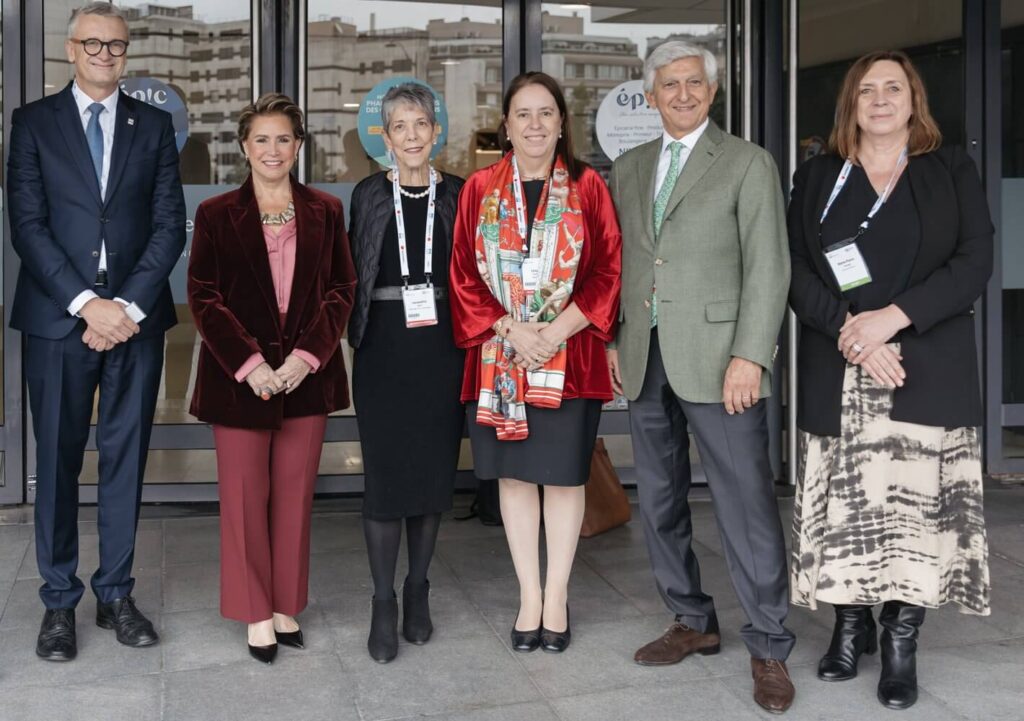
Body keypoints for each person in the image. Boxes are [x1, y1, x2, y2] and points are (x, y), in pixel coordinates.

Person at [787, 50, 992, 710]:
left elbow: (974, 261)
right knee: (847, 510)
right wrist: (853, 331)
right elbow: (793, 269)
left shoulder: (950, 168)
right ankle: (850, 627)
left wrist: (892, 320)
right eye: (866, 89)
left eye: (893, 88)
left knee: (911, 513)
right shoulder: (820, 175)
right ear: (851, 103)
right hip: (842, 365)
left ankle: (900, 638)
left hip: (923, 365)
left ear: (913, 100)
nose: (879, 99)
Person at [606, 41, 796, 713]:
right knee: (658, 500)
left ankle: (770, 643)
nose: (681, 93)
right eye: (669, 84)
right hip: (645, 357)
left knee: (745, 506)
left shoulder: (747, 162)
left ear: (711, 93)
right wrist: (612, 340)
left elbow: (770, 265)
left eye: (693, 83)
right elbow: (622, 264)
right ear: (651, 94)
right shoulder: (627, 167)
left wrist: (752, 354)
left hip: (724, 364)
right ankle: (692, 619)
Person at [6, 2, 185, 662]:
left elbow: (168, 224)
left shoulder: (155, 125)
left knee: (124, 458)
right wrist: (88, 304)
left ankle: (115, 592)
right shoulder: (33, 124)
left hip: (136, 323)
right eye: (93, 43)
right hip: (59, 320)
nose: (105, 54)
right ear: (70, 48)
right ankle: (59, 601)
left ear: (127, 52)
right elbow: (27, 225)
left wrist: (127, 309)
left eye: (116, 45)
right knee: (55, 459)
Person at [449, 72, 621, 654]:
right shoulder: (479, 190)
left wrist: (553, 332)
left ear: (561, 123)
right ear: (506, 125)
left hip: (570, 358)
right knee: (517, 479)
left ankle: (557, 596)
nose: (535, 125)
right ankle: (528, 597)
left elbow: (607, 272)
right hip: (502, 358)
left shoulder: (589, 186)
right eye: (523, 114)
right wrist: (513, 329)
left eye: (546, 113)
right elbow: (463, 278)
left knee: (565, 479)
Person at [187, 93, 356, 665]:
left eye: (284, 138)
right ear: (243, 147)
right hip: (238, 380)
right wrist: (252, 364)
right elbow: (204, 297)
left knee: (293, 498)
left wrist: (305, 358)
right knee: (242, 498)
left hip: (306, 378)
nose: (272, 149)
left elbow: (341, 291)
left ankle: (286, 603)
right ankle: (256, 610)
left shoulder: (327, 210)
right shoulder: (215, 214)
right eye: (261, 139)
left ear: (299, 146)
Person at [348, 83, 466, 663]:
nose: (413, 136)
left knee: (431, 477)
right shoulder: (368, 194)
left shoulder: (461, 194)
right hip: (383, 350)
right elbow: (353, 274)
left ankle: (419, 588)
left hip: (443, 348)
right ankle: (382, 599)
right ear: (386, 136)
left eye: (421, 124)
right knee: (386, 480)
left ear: (435, 131)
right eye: (401, 126)